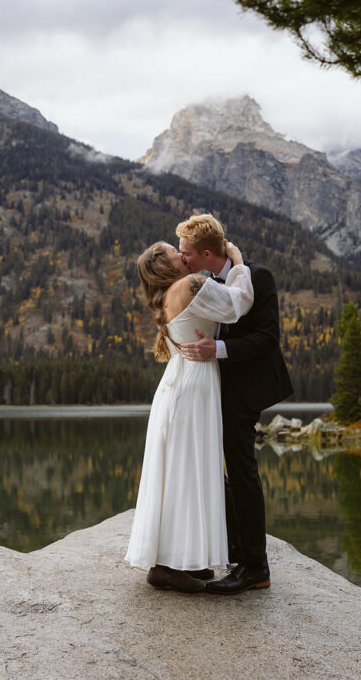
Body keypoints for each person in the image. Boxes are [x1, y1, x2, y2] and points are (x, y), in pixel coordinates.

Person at [124, 237, 254, 593]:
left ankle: (177, 561)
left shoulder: (167, 294)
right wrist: (237, 261)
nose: (183, 256)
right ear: (166, 266)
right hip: (192, 386)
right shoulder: (191, 284)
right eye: (175, 253)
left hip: (177, 385)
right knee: (188, 472)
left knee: (179, 472)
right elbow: (237, 304)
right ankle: (168, 566)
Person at [177, 214, 294, 595]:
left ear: (207, 253)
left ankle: (255, 568)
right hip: (215, 389)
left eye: (187, 254)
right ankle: (235, 548)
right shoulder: (201, 281)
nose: (183, 260)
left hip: (245, 390)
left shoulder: (258, 277)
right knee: (216, 467)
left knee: (241, 468)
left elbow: (268, 338)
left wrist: (219, 349)